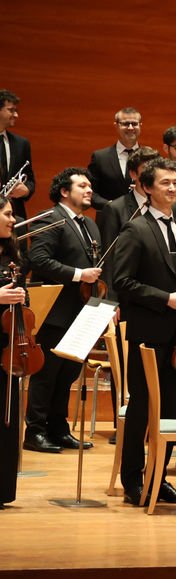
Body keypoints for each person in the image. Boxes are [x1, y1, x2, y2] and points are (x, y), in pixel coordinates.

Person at [109, 157, 176, 506]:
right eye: (165, 183)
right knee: (142, 407)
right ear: (146, 188)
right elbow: (121, 282)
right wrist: (166, 299)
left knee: (171, 411)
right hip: (148, 331)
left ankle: (159, 479)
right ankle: (133, 480)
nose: (172, 188)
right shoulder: (135, 229)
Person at [24, 168, 102, 454]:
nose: (89, 189)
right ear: (64, 192)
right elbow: (38, 259)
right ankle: (35, 431)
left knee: (68, 373)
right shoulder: (49, 219)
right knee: (47, 373)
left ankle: (59, 428)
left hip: (82, 312)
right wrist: (79, 274)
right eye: (82, 185)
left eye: (90, 185)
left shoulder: (90, 225)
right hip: (55, 309)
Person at [0, 194, 29, 509]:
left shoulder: (12, 254)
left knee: (6, 423)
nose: (13, 219)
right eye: (8, 214)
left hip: (7, 349)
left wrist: (21, 297)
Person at [97, 146, 161, 252]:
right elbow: (109, 255)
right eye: (147, 169)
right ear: (133, 174)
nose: (152, 175)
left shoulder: (173, 207)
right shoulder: (115, 209)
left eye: (156, 169)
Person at [86, 107, 141, 212]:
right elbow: (90, 192)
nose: (130, 128)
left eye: (134, 124)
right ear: (116, 126)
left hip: (142, 221)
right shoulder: (100, 157)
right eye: (125, 124)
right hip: (109, 221)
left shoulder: (151, 157)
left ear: (140, 126)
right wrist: (111, 206)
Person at [0, 91, 35, 220]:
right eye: (11, 110)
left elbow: (30, 180)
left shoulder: (21, 144)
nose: (16, 115)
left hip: (14, 216)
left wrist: (26, 190)